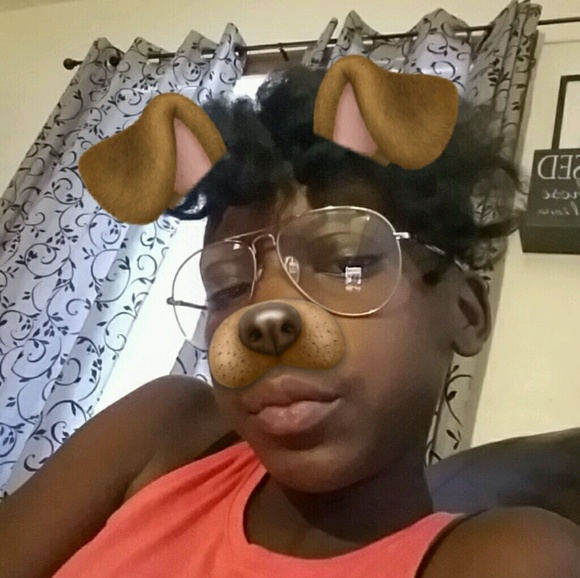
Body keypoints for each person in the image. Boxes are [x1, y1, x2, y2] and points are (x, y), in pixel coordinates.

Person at [1, 64, 579, 578]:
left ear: (466, 312)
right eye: (228, 288)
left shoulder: (505, 557)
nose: (262, 316)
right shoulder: (166, 432)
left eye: (348, 264)